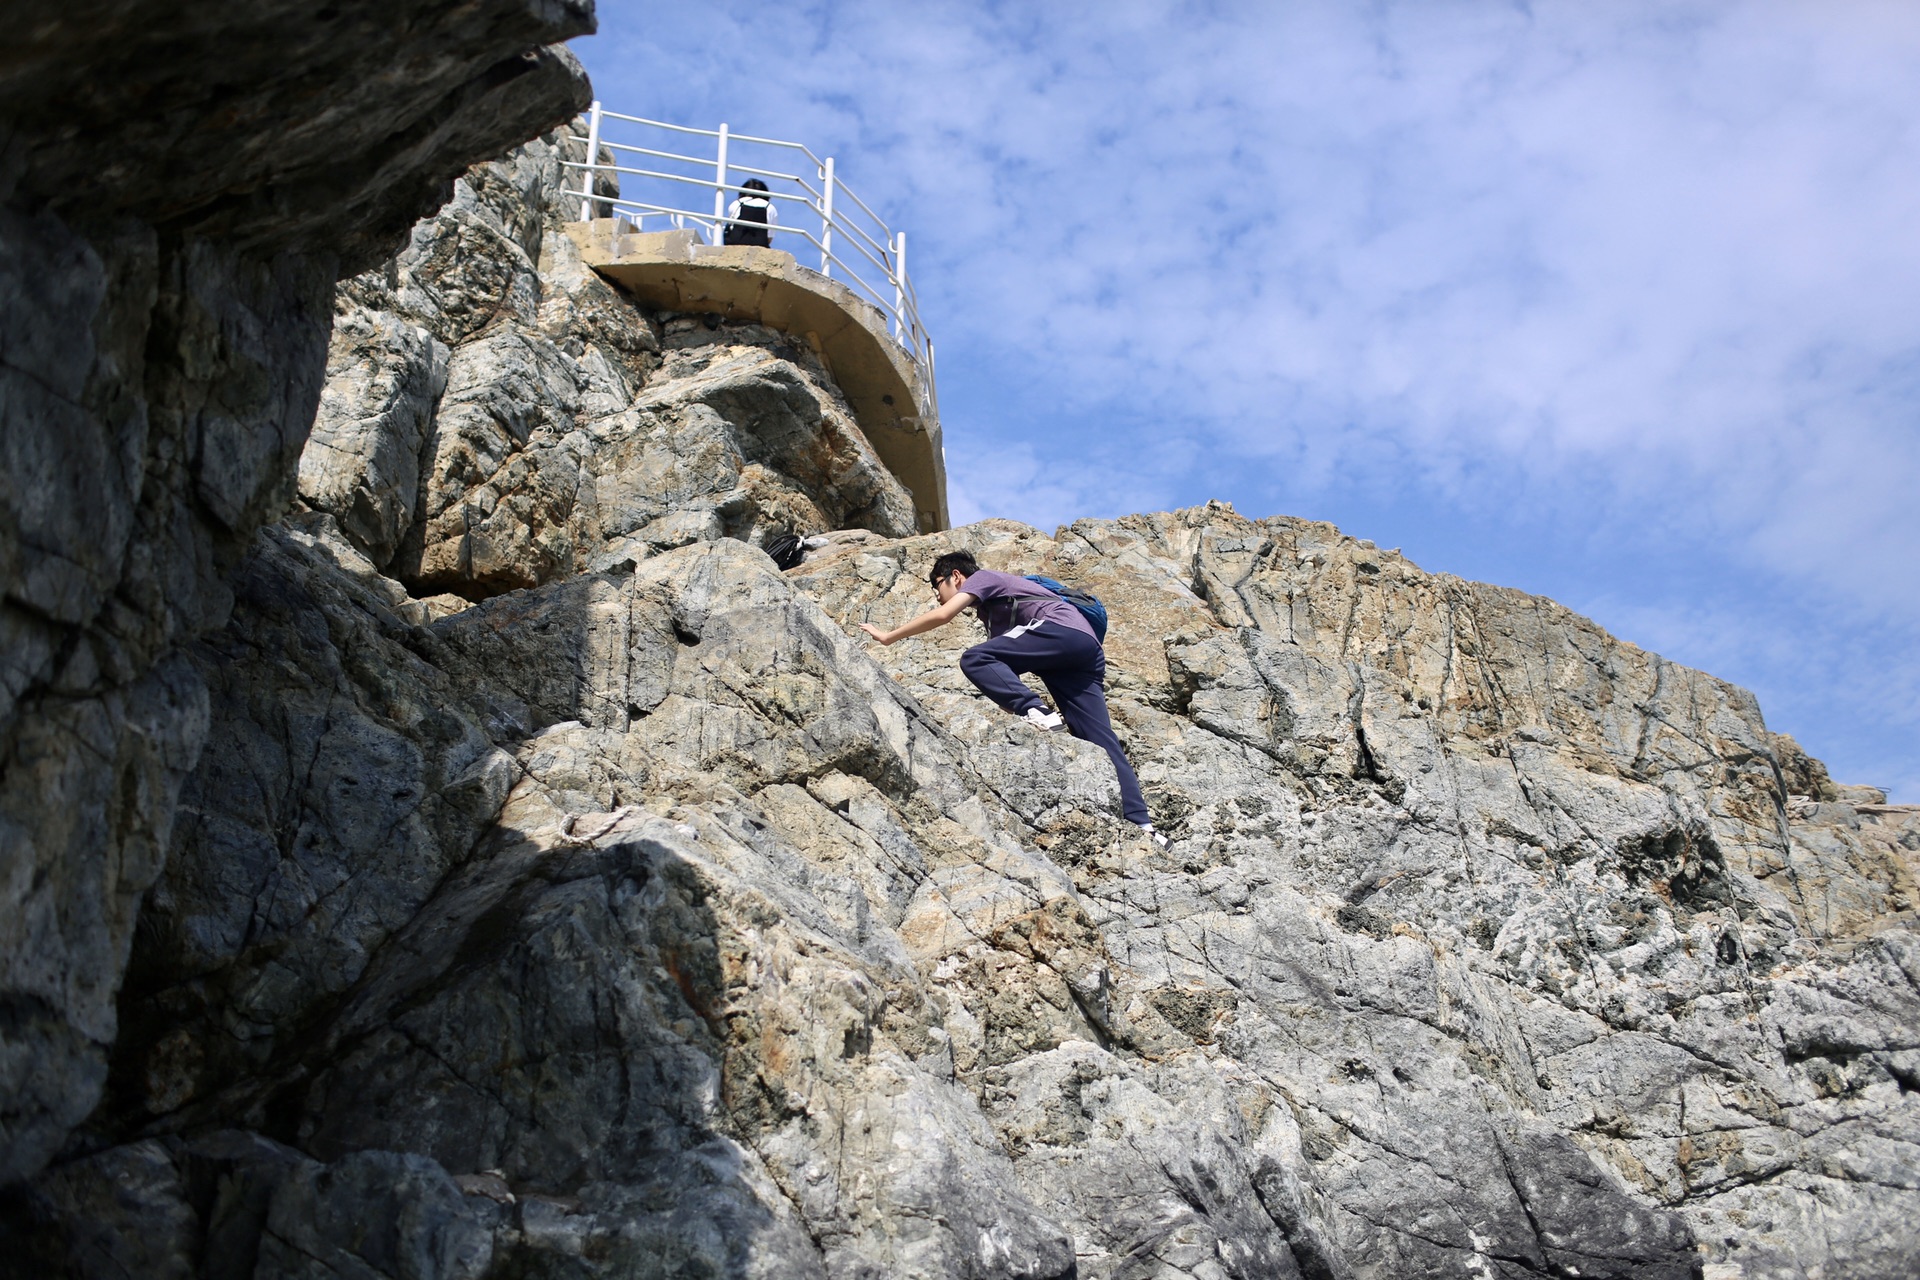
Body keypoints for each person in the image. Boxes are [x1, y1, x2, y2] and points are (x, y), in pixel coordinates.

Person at [860, 550, 1161, 842]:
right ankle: (1143, 825)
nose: (936, 594)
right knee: (1100, 738)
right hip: (1084, 651)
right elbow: (1002, 673)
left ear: (956, 576)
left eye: (937, 584)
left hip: (1062, 631)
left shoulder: (983, 578)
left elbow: (944, 615)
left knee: (974, 658)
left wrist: (888, 636)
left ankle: (1040, 711)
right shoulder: (994, 617)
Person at [722, 178, 776, 247]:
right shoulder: (770, 207)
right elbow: (769, 238)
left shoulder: (736, 204)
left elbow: (730, 227)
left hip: (735, 243)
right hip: (760, 245)